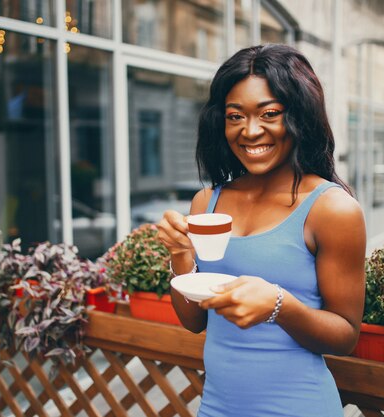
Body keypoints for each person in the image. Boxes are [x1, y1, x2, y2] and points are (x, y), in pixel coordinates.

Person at [157, 44, 366, 417]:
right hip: (216, 408)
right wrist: (179, 255)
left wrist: (278, 306)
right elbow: (194, 322)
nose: (250, 132)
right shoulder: (207, 202)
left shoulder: (332, 208)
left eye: (269, 114)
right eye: (235, 116)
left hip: (298, 407)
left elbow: (345, 335)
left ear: (299, 116)